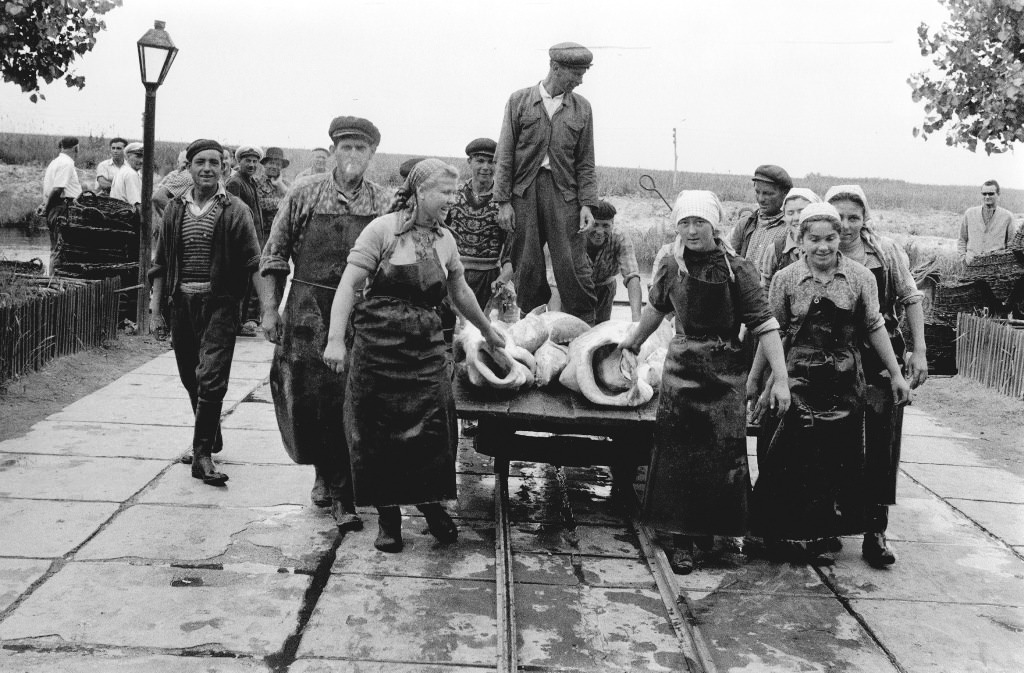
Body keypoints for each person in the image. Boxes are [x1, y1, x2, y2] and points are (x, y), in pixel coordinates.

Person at [322, 158, 506, 553]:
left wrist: (488, 332)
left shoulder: (445, 239)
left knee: (435, 430)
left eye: (455, 192)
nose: (452, 199)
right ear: (421, 191)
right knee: (377, 434)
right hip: (378, 349)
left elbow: (460, 292)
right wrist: (336, 339)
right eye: (445, 192)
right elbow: (348, 286)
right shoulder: (382, 230)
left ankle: (430, 503)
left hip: (425, 348)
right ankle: (388, 519)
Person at [618, 190, 791, 574]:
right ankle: (682, 540)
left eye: (700, 222)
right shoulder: (670, 265)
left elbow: (765, 324)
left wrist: (780, 378)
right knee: (679, 455)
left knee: (721, 453)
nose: (692, 230)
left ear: (715, 225)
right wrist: (633, 341)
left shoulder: (738, 269)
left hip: (726, 371)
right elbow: (656, 310)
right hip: (682, 369)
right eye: (685, 222)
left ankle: (711, 531)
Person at [748, 203, 911, 566]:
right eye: (814, 239)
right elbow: (772, 332)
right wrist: (757, 379)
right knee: (792, 456)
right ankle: (776, 535)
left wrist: (897, 373)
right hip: (798, 375)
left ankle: (818, 536)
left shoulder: (860, 277)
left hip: (844, 379)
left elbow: (874, 326)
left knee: (835, 459)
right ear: (801, 239)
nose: (823, 247)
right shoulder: (786, 278)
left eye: (830, 238)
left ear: (840, 238)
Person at [260, 116, 392, 531]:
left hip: (361, 312)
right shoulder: (304, 193)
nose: (353, 155)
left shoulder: (383, 201)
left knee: (351, 398)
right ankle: (327, 474)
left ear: (372, 154)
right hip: (308, 311)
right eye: (345, 147)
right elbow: (274, 254)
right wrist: (270, 310)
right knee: (311, 400)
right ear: (333, 150)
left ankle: (342, 492)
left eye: (361, 148)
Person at [148, 139, 268, 486]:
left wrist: (268, 310)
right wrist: (156, 312)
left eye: (214, 162)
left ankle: (202, 456)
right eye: (200, 162)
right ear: (188, 167)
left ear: (223, 167)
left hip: (221, 305)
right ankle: (211, 436)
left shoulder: (236, 210)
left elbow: (254, 262)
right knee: (191, 377)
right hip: (182, 305)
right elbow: (160, 263)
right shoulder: (175, 209)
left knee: (211, 376)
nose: (207, 168)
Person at [825, 184, 927, 567]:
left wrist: (918, 351)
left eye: (854, 217)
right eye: (839, 217)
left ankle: (875, 531)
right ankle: (829, 524)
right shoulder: (819, 250)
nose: (846, 225)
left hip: (880, 358)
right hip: (833, 358)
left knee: (881, 441)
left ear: (864, 218)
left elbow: (911, 298)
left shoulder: (884, 252)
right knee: (834, 438)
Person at [494, 41, 599, 324]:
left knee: (572, 264)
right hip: (524, 193)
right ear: (555, 67)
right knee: (526, 264)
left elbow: (586, 161)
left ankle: (583, 326)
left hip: (565, 195)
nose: (580, 81)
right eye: (576, 74)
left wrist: (588, 204)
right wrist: (503, 202)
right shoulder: (519, 101)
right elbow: (504, 153)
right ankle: (531, 324)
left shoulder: (582, 108)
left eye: (583, 74)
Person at [446, 138, 512, 310]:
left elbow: (512, 252)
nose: (486, 167)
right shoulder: (453, 195)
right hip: (453, 274)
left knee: (482, 324)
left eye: (491, 162)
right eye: (480, 161)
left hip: (488, 278)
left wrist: (502, 279)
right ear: (469, 162)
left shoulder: (504, 202)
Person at [226, 145, 267, 335]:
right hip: (241, 243)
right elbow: (233, 214)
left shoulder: (250, 182)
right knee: (239, 283)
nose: (251, 164)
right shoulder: (235, 183)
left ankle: (241, 322)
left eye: (254, 161)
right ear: (239, 162)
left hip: (254, 241)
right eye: (247, 161)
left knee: (249, 283)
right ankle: (234, 324)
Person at [586, 200, 642, 322]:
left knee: (601, 328)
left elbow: (632, 275)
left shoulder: (620, 237)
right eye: (595, 225)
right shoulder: (575, 236)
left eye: (605, 226)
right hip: (578, 287)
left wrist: (636, 319)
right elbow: (556, 279)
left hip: (605, 288)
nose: (599, 232)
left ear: (612, 224)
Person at [729, 165, 793, 266]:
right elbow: (731, 260)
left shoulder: (790, 228)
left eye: (768, 194)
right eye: (757, 192)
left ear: (785, 194)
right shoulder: (745, 224)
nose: (761, 199)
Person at [758, 187, 821, 289]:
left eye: (801, 211)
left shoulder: (825, 247)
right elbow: (766, 288)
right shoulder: (776, 250)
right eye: (790, 213)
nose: (796, 218)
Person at [40, 136, 83, 273]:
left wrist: (46, 206)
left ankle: (53, 279)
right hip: (63, 209)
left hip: (56, 207)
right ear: (76, 148)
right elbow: (58, 189)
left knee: (56, 248)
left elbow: (52, 189)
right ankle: (55, 280)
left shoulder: (55, 162)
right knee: (61, 248)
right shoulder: (67, 163)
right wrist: (46, 208)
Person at [958, 180, 1018, 263]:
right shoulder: (969, 214)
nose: (987, 197)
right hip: (971, 264)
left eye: (991, 194)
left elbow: (1011, 244)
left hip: (996, 266)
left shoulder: (1007, 217)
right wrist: (963, 259)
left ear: (998, 194)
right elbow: (962, 239)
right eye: (984, 194)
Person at [255, 147, 291, 237]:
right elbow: (259, 203)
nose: (274, 167)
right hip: (264, 233)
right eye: (271, 163)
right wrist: (283, 203)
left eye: (278, 164)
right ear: (264, 164)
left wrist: (280, 184)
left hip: (283, 232)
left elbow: (294, 201)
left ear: (281, 167)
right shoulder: (256, 182)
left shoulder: (286, 184)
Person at [152, 150, 193, 220]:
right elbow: (157, 196)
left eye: (190, 164)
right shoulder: (172, 175)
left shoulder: (190, 176)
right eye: (185, 163)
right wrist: (176, 217)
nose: (187, 167)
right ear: (178, 163)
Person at [110, 142, 145, 215]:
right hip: (127, 217)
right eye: (138, 156)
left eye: (143, 157)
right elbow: (137, 205)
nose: (141, 161)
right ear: (127, 157)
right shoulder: (131, 174)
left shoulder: (123, 170)